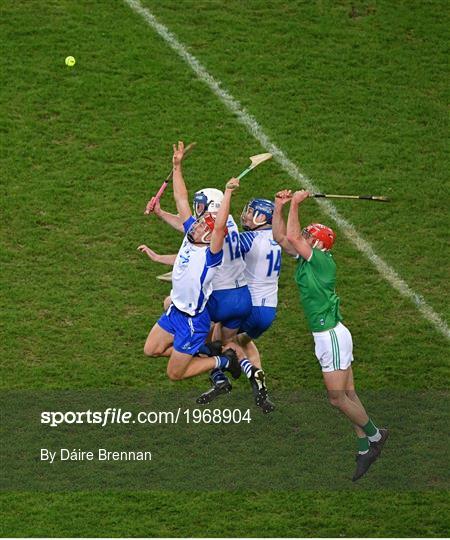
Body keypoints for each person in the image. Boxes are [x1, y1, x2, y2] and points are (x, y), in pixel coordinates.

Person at [272, 188, 388, 481]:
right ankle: (364, 448)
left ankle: (375, 436)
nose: (305, 238)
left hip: (331, 336)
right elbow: (282, 238)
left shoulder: (322, 262)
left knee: (337, 399)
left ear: (319, 245)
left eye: (311, 237)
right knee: (348, 394)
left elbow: (295, 238)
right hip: (329, 334)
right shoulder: (306, 259)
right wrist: (280, 207)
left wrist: (297, 204)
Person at [139, 141, 243, 382]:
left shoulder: (211, 254)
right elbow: (181, 199)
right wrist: (177, 166)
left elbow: (219, 227)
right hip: (175, 310)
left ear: (209, 235)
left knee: (175, 374)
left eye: (199, 227)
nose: (193, 225)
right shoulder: (191, 237)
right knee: (150, 350)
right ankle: (204, 352)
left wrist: (227, 193)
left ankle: (223, 361)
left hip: (192, 320)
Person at [197, 198, 280, 413]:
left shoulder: (249, 239)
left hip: (250, 305)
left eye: (251, 212)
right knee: (243, 341)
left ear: (262, 218)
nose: (245, 215)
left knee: (216, 336)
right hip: (269, 310)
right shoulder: (278, 238)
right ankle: (259, 381)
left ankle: (220, 378)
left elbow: (224, 247)